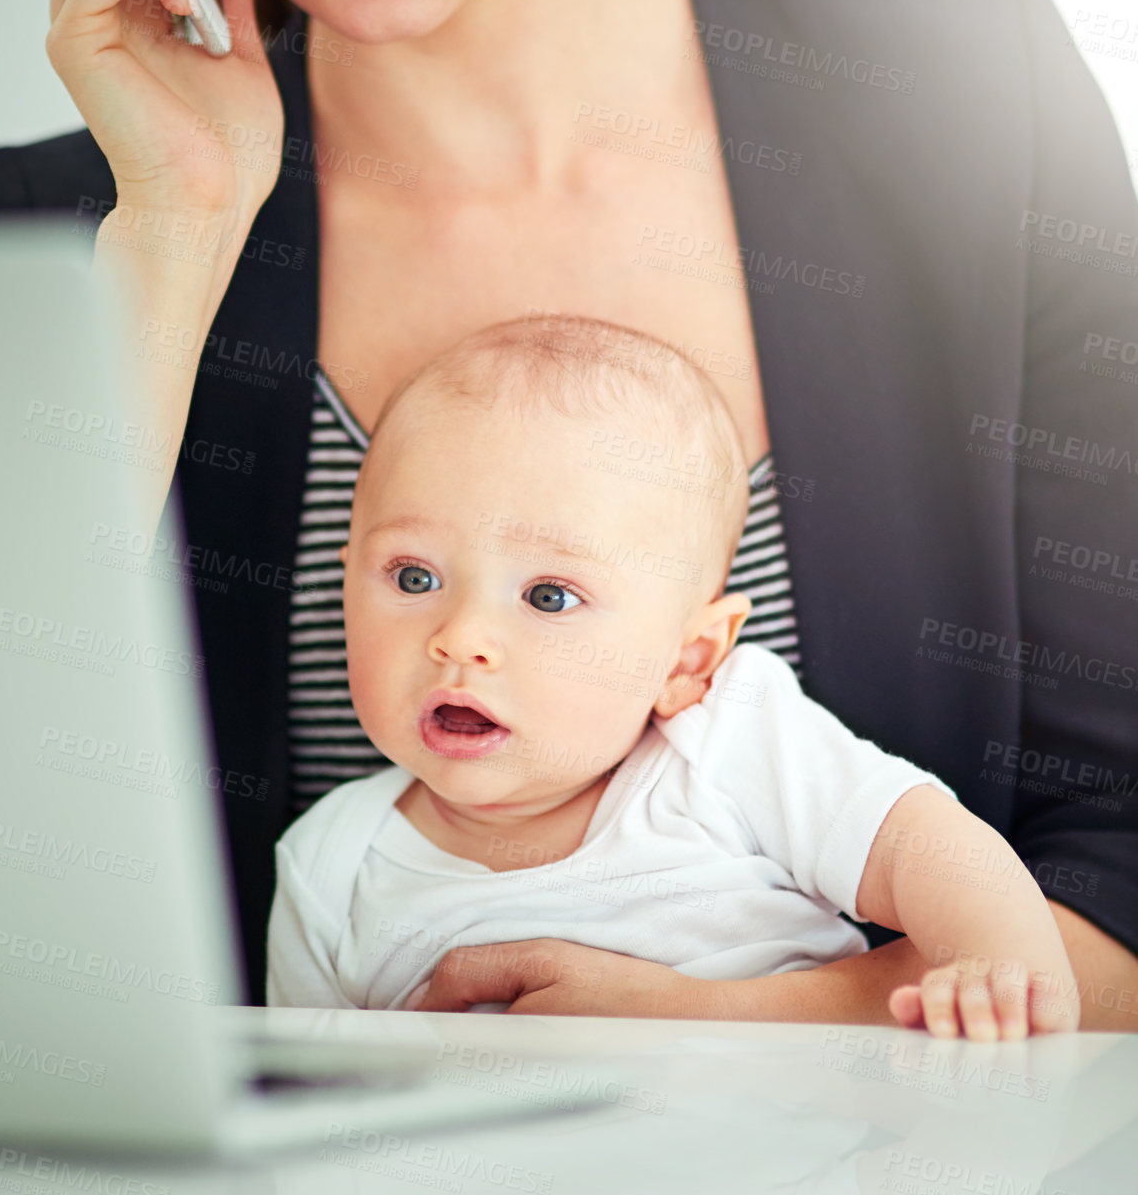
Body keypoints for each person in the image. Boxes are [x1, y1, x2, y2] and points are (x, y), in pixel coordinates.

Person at [0, 0, 1138, 1024]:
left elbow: (1118, 861)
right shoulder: (97, 222)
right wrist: (176, 227)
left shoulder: (960, 82)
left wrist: (728, 1023)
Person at [264, 316, 1078, 1038]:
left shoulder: (730, 743)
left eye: (550, 596)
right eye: (413, 578)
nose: (462, 638)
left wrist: (994, 963)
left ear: (689, 660)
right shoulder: (331, 861)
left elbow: (921, 847)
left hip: (785, 1190)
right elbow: (298, 1102)